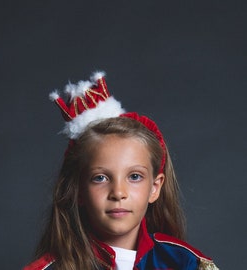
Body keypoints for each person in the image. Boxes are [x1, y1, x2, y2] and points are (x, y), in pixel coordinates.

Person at [23, 71, 218, 270]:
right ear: (79, 190)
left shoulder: (186, 263)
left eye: (134, 176)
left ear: (155, 187)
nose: (118, 193)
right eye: (100, 178)